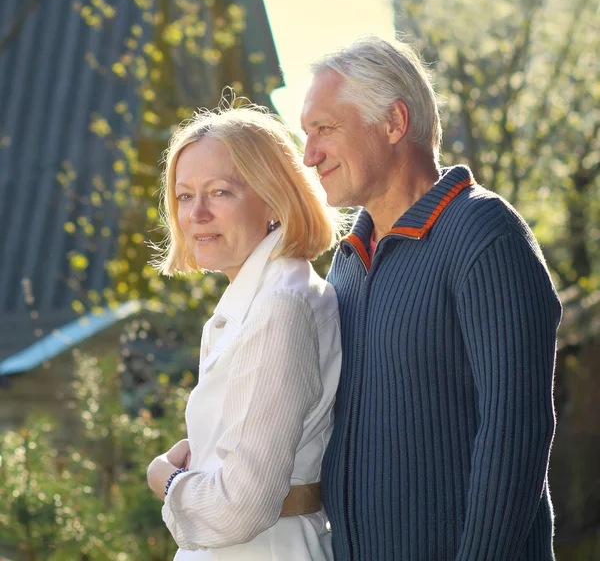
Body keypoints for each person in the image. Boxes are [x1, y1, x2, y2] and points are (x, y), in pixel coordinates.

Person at [301, 35, 562, 561]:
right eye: (307, 134)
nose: (309, 155)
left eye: (324, 129)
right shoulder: (347, 262)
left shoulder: (484, 234)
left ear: (394, 123)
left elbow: (516, 428)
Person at [146, 103, 344, 560]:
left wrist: (167, 480)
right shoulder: (258, 296)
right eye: (183, 196)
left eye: (219, 192)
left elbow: (239, 508)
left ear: (274, 199)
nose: (196, 214)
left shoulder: (280, 306)